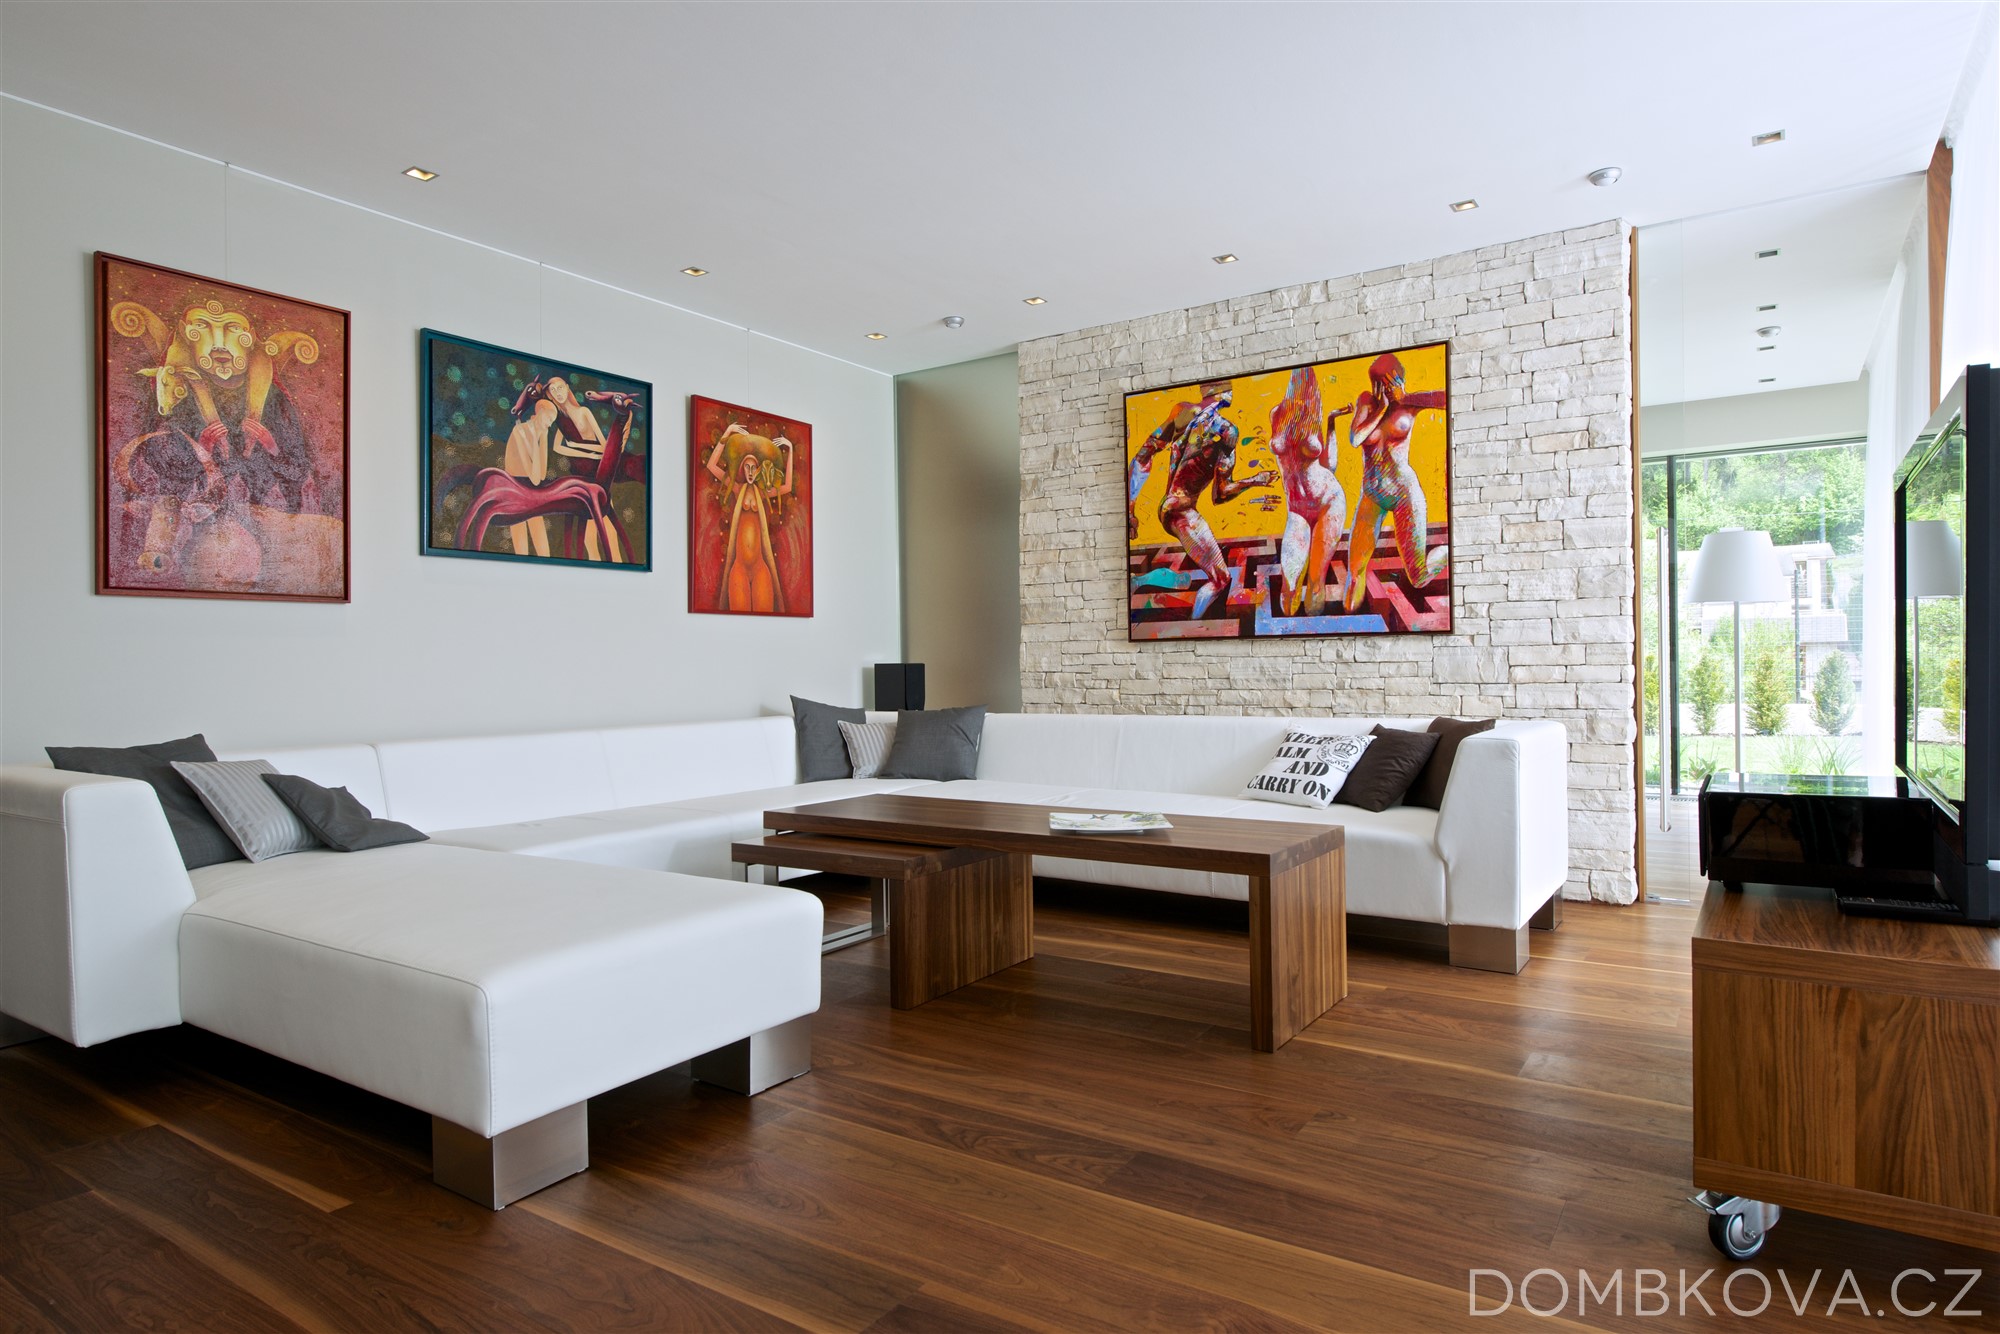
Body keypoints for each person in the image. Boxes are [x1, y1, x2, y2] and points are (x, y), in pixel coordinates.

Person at [1140, 383, 1277, 618]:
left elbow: (1146, 452)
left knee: (1202, 571)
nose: (1233, 391)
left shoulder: (1182, 412)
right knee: (1221, 579)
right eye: (1230, 388)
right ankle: (1193, 626)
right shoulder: (1226, 430)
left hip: (1168, 506)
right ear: (1222, 393)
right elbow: (1220, 494)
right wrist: (1256, 480)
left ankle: (1141, 580)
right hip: (1183, 513)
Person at [1328, 352, 1449, 610]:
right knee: (1354, 572)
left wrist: (1406, 398)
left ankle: (1448, 553)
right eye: (1377, 383)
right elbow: (1356, 439)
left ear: (1398, 380)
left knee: (1418, 577)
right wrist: (1381, 407)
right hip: (1373, 494)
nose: (1381, 389)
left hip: (1404, 493)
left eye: (1387, 383)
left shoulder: (1410, 404)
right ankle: (1350, 622)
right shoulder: (1367, 402)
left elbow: (1449, 398)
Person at [1267, 366, 1347, 616]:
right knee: (1289, 584)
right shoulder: (1276, 414)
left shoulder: (1313, 417)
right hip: (1297, 509)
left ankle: (1314, 632)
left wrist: (1331, 424)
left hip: (1328, 501)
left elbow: (1329, 465)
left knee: (1316, 580)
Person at [704, 423, 794, 612]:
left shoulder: (762, 493)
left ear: (759, 470)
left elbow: (786, 487)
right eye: (747, 467)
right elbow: (711, 465)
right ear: (742, 470)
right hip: (739, 568)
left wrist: (791, 448)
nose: (751, 471)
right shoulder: (737, 488)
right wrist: (727, 432)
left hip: (760, 567)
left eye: (754, 467)